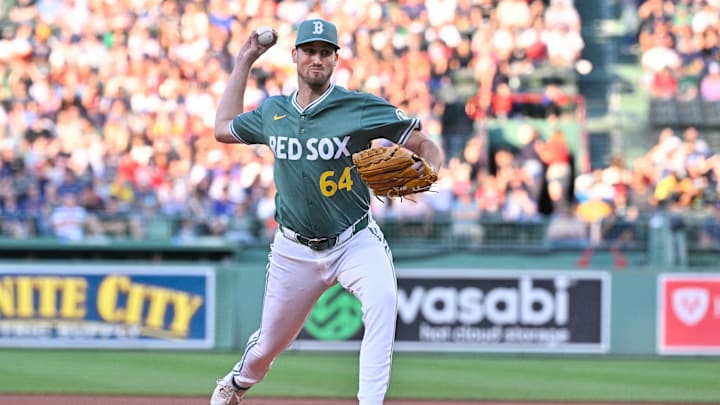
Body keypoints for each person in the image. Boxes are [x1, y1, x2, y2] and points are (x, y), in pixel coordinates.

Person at [210, 19, 444, 405]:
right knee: (268, 346)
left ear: (335, 59)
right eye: (310, 51)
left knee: (383, 302)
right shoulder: (273, 112)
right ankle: (236, 382)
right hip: (293, 250)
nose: (316, 59)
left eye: (324, 52)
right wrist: (243, 62)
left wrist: (432, 167)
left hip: (354, 240)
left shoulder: (360, 107)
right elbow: (222, 127)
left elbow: (421, 140)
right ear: (296, 56)